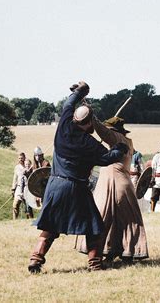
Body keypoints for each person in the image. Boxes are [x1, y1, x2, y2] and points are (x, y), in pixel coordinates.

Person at [28, 82, 128, 273]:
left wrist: (79, 92)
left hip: (54, 186)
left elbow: (68, 104)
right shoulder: (89, 143)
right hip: (75, 188)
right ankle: (95, 264)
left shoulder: (64, 124)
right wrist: (120, 148)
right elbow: (107, 158)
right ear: (90, 122)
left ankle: (35, 260)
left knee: (49, 227)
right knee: (94, 227)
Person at [81, 115, 149, 263]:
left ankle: (100, 252)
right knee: (126, 220)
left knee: (101, 217)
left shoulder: (116, 138)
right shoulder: (127, 141)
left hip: (112, 183)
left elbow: (102, 131)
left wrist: (89, 115)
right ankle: (123, 250)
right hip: (124, 183)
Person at [11, 152, 27, 220]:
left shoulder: (27, 165)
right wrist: (13, 188)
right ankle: (15, 220)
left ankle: (29, 219)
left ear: (24, 158)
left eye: (22, 158)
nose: (20, 159)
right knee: (15, 205)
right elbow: (15, 178)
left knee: (28, 207)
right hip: (18, 187)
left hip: (26, 187)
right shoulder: (17, 167)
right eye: (19, 158)